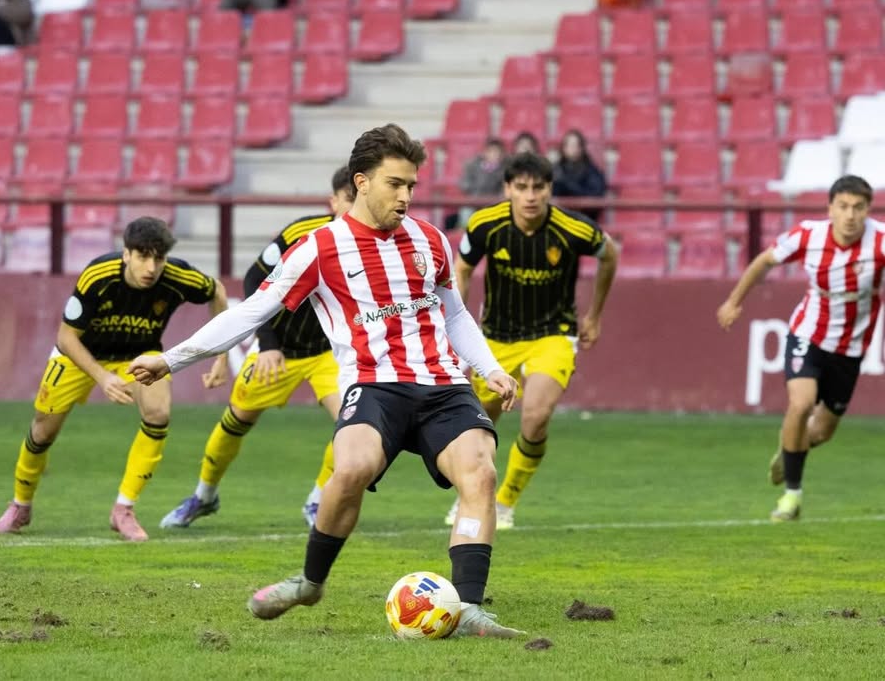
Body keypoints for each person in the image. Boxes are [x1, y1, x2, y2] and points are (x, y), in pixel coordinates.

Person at [128, 124, 525, 639]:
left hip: (442, 384)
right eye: (394, 184)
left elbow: (455, 314)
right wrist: (171, 359)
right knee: (352, 466)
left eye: (412, 186)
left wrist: (489, 367)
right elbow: (249, 313)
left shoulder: (431, 241)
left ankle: (467, 609)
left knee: (481, 474)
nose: (406, 196)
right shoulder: (320, 247)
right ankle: (311, 582)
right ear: (361, 182)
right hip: (374, 384)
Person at [0, 217, 229, 542]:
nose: (151, 267)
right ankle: (20, 505)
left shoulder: (178, 276)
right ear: (126, 254)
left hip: (138, 355)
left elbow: (218, 291)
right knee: (43, 430)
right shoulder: (98, 275)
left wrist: (222, 356)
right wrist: (102, 378)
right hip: (82, 354)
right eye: (143, 256)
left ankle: (124, 510)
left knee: (158, 413)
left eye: (158, 258)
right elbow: (65, 337)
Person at [160, 167, 355, 530]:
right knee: (237, 421)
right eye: (350, 201)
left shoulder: (371, 243)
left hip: (328, 353)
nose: (357, 208)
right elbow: (254, 278)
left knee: (353, 424)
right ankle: (203, 496)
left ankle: (318, 501)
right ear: (334, 201)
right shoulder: (301, 233)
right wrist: (267, 344)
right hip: (278, 347)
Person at [445, 152, 618, 530]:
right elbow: (462, 268)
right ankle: (471, 495)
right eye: (521, 187)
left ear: (549, 190)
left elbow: (610, 254)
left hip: (552, 335)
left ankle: (505, 501)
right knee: (477, 422)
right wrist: (456, 325)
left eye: (538, 187)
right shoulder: (485, 224)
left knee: (536, 416)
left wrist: (595, 315)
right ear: (507, 189)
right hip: (496, 337)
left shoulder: (574, 229)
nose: (530, 196)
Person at [717, 175, 885, 523]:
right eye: (843, 206)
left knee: (820, 432)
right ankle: (791, 496)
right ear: (831, 208)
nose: (850, 215)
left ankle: (789, 449)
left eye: (858, 207)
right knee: (801, 402)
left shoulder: (880, 242)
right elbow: (764, 261)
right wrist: (734, 301)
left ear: (869, 210)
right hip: (807, 334)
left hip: (851, 348)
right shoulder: (808, 235)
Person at [552, 129, 607, 222]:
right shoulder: (556, 170)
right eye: (569, 145)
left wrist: (568, 184)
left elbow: (596, 195)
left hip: (585, 221)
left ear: (582, 148)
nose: (572, 148)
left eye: (575, 145)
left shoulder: (592, 171)